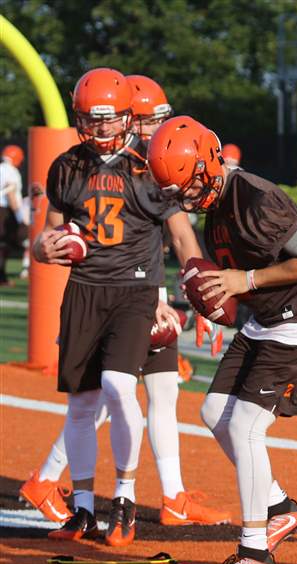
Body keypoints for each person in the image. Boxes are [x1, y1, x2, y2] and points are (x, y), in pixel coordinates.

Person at [20, 73, 230, 529]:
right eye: (154, 118)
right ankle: (79, 498)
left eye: (159, 118)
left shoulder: (147, 164)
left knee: (136, 390)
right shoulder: (69, 165)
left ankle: (132, 494)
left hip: (136, 293)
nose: (160, 127)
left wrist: (198, 294)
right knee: (91, 401)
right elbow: (48, 232)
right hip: (89, 291)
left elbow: (179, 235)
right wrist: (43, 247)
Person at [147, 116, 297, 564]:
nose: (187, 198)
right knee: (215, 411)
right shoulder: (211, 206)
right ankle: (277, 507)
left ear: (210, 163)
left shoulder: (257, 197)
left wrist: (244, 281)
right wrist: (214, 303)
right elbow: (227, 274)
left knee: (245, 425)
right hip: (264, 320)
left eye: (190, 184)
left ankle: (255, 550)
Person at [0, 144, 25, 285]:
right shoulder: (11, 171)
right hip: (4, 211)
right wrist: (19, 216)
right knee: (4, 244)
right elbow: (10, 193)